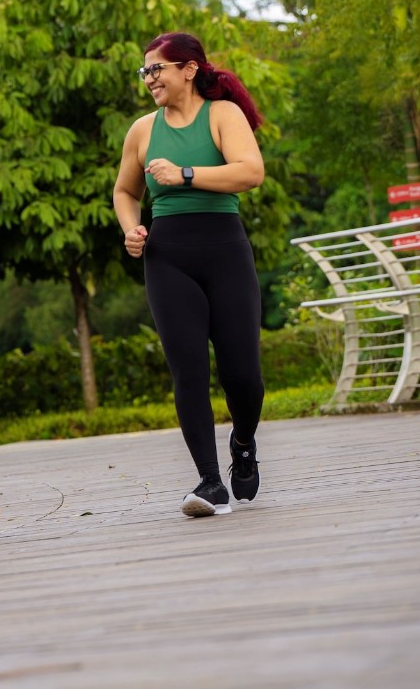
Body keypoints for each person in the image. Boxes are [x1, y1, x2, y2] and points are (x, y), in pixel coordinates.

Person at [112, 32, 266, 518]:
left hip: (225, 249)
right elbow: (124, 190)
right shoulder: (142, 130)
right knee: (189, 371)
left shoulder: (222, 116)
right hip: (168, 254)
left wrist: (185, 174)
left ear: (189, 70)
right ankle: (209, 481)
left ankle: (243, 441)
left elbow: (250, 171)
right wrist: (131, 228)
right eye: (145, 71)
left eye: (156, 69)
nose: (149, 79)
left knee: (244, 376)